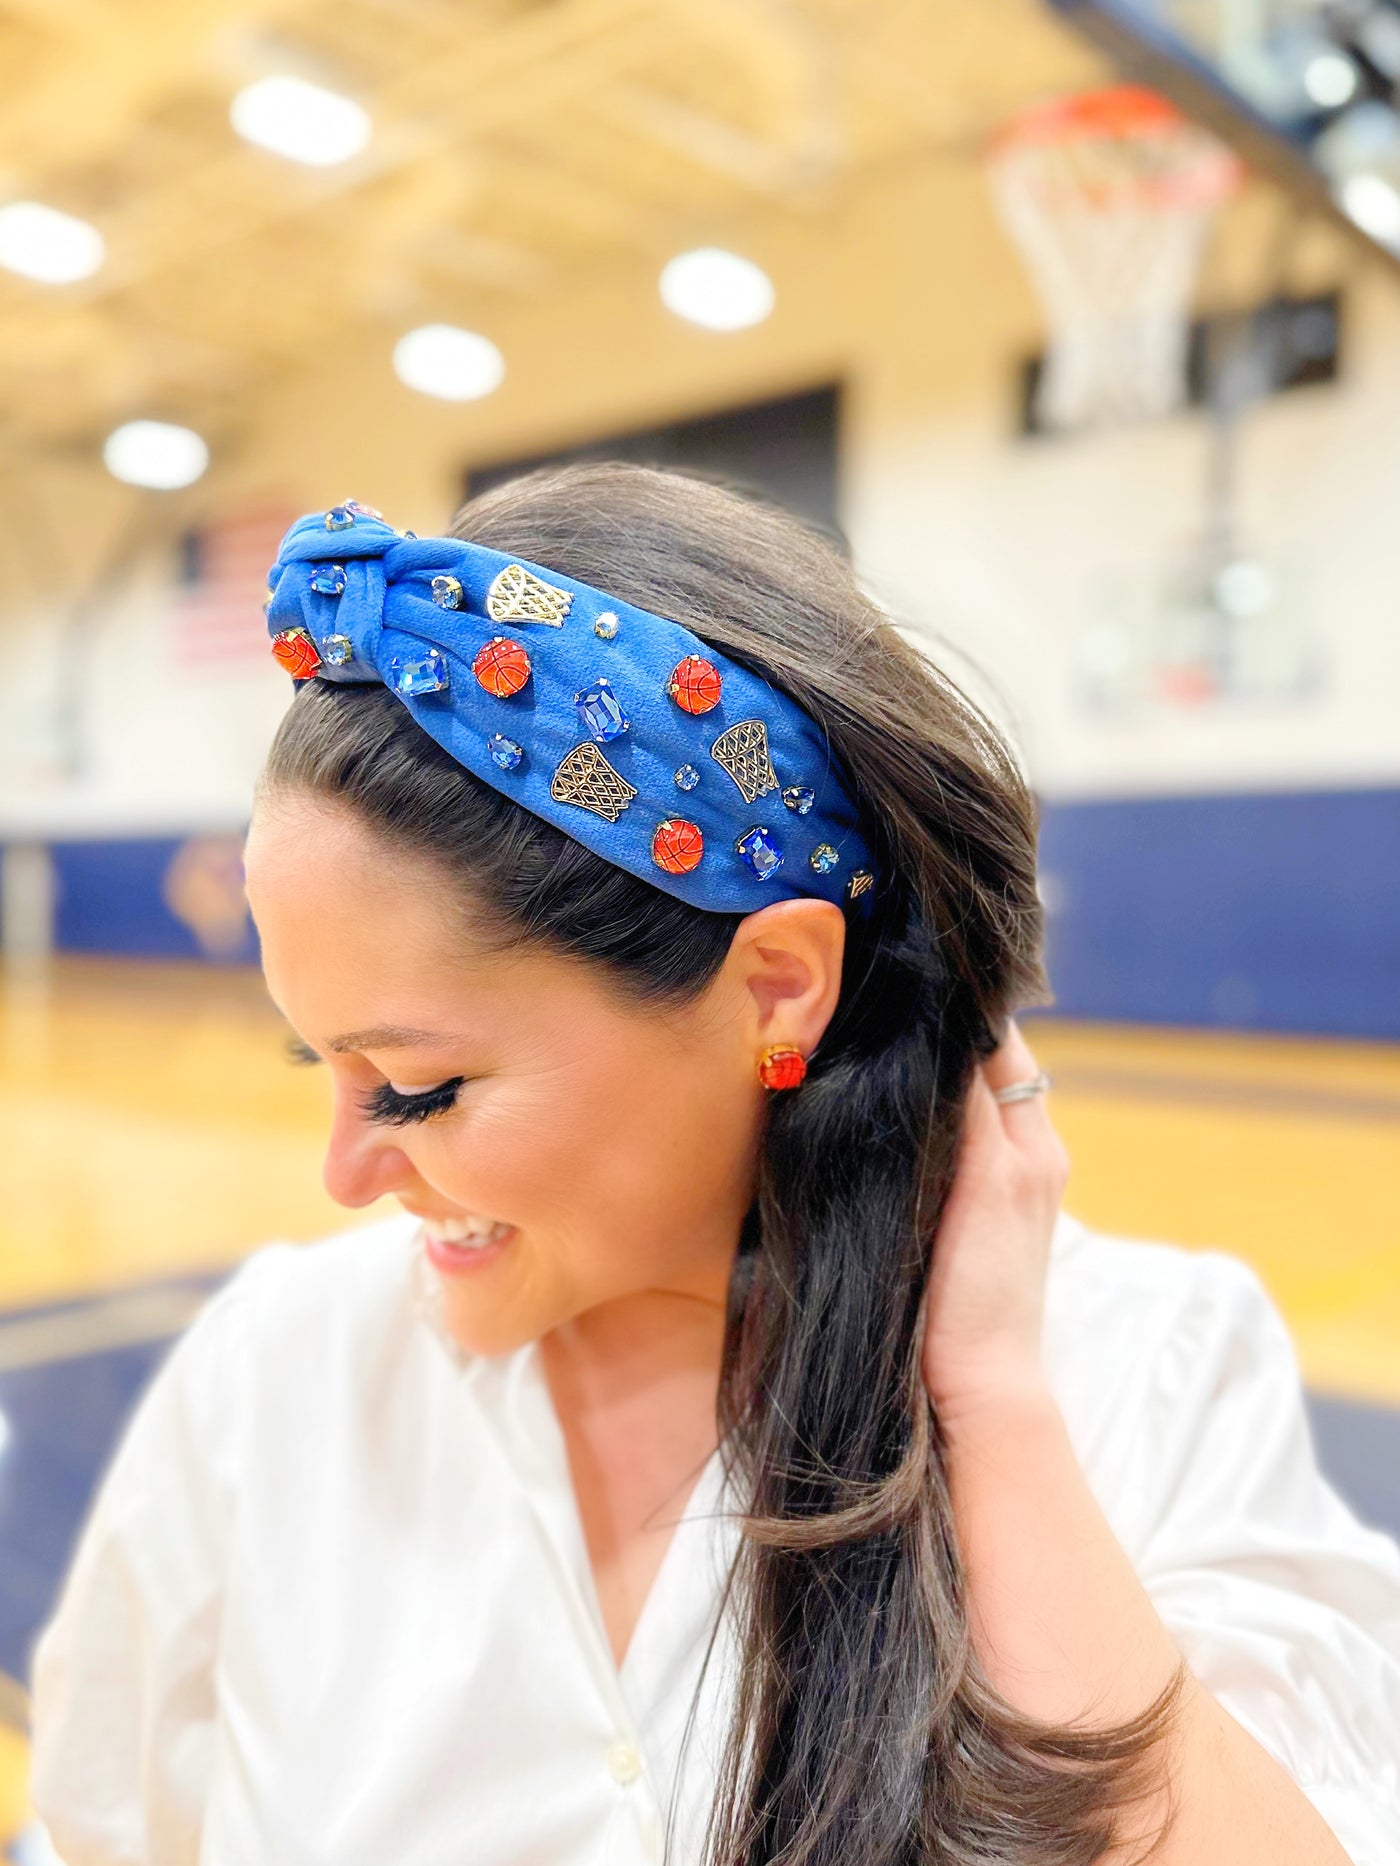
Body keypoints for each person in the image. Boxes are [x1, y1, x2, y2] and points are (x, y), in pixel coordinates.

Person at [27, 465, 1400, 1866]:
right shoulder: (271, 1376)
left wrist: (989, 1413)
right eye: (308, 1061)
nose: (343, 1171)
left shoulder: (1147, 1377)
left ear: (777, 987)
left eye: (417, 1085)